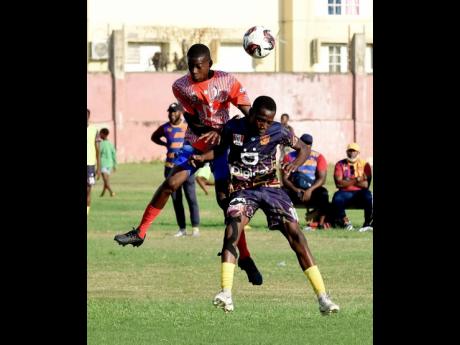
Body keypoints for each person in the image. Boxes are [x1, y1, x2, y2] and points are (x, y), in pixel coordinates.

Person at [114, 43, 262, 285]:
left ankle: (244, 257)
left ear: (209, 64)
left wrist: (235, 132)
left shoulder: (228, 81)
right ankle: (140, 232)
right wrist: (211, 134)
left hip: (223, 147)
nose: (193, 71)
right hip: (195, 142)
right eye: (190, 65)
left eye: (198, 66)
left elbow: (249, 114)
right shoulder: (180, 86)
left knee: (226, 201)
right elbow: (192, 121)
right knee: (171, 183)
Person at [190, 96, 339, 314]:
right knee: (232, 228)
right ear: (251, 115)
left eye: (268, 122)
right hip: (243, 189)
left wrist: (295, 165)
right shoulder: (234, 127)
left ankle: (323, 298)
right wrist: (202, 157)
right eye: (260, 120)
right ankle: (226, 293)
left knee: (295, 234)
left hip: (271, 188)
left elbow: (304, 149)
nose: (264, 125)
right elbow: (221, 151)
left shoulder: (279, 131)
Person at [150, 102, 200, 237]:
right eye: (170, 112)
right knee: (176, 199)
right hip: (170, 168)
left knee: (191, 197)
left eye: (174, 112)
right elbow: (154, 137)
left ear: (180, 113)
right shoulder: (165, 128)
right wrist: (165, 144)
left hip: (186, 167)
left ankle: (195, 228)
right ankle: (182, 229)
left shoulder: (187, 127)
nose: (171, 114)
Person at [281, 133, 331, 230]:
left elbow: (322, 179)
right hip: (295, 189)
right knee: (282, 193)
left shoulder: (318, 157)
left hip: (312, 189)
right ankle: (285, 222)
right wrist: (296, 190)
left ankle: (320, 223)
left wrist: (310, 190)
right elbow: (285, 179)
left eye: (309, 144)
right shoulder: (289, 157)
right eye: (304, 143)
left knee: (324, 193)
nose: (307, 146)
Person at [331, 142, 373, 232]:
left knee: (369, 196)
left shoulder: (365, 164)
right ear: (346, 152)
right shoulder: (340, 164)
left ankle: (367, 223)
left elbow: (366, 185)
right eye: (350, 151)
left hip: (360, 192)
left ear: (358, 153)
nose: (352, 153)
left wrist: (347, 181)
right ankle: (345, 222)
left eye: (354, 151)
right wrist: (357, 179)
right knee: (337, 198)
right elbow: (338, 184)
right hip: (344, 193)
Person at [87, 109, 101, 215]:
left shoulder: (94, 130)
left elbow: (97, 149)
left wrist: (99, 167)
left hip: (90, 164)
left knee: (88, 189)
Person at [99, 128, 117, 197]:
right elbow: (114, 154)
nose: (99, 135)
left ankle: (111, 192)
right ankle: (102, 194)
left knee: (105, 181)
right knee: (106, 181)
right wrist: (115, 165)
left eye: (100, 133)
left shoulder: (101, 144)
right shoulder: (110, 144)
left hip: (103, 164)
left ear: (103, 134)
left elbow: (98, 154)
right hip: (110, 164)